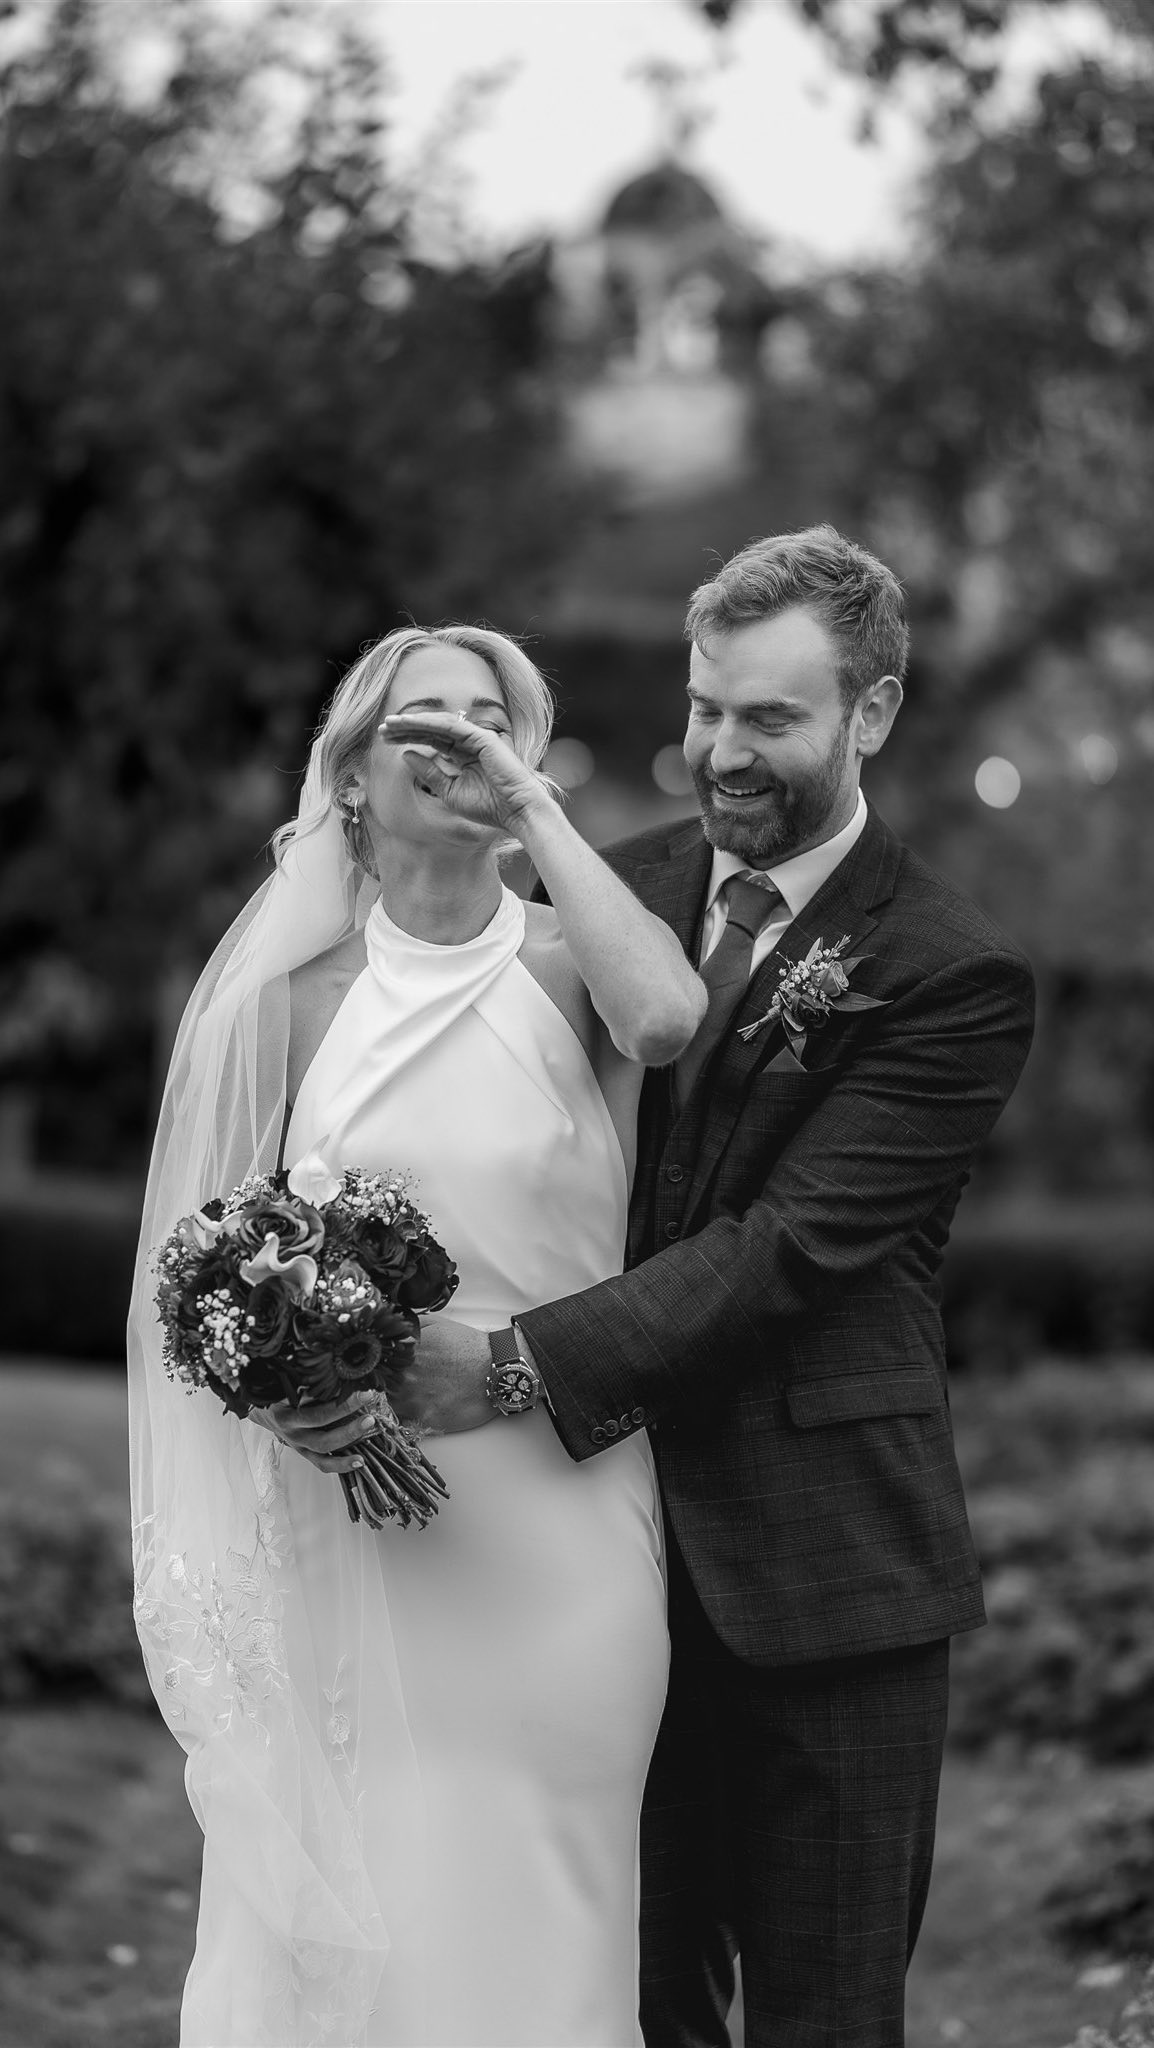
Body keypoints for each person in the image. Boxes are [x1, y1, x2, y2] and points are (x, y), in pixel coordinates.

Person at [399, 527, 1037, 2048]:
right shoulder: (603, 893)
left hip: (826, 1591)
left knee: (823, 2020)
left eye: (768, 719)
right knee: (617, 2003)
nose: (718, 753)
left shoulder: (949, 970)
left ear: (869, 714)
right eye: (703, 709)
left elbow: (787, 1254)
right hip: (587, 1575)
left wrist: (500, 1367)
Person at [128, 623, 708, 2048]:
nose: (456, 742)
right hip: (358, 1527)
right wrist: (288, 1400)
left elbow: (668, 1017)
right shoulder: (292, 1002)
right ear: (348, 780)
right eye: (419, 723)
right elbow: (206, 1270)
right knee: (376, 1896)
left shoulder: (580, 969)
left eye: (488, 719)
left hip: (564, 1512)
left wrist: (536, 814)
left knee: (549, 1897)